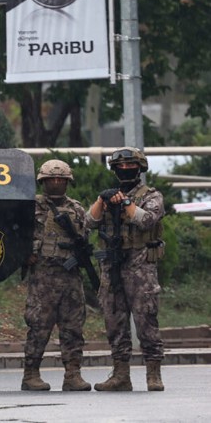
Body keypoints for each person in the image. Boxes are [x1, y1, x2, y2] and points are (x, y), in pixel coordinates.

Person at [86, 147, 165, 391]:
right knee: (114, 320)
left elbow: (146, 221)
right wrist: (102, 200)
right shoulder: (110, 196)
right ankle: (121, 375)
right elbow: (89, 222)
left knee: (145, 319)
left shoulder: (152, 196)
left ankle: (154, 374)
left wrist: (127, 202)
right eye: (121, 167)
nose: (126, 170)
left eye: (131, 166)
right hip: (112, 265)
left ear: (140, 169)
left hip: (140, 266)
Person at [21, 159, 91, 391]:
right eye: (52, 179)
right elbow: (15, 234)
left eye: (61, 179)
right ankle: (31, 374)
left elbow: (85, 236)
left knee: (73, 327)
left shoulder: (77, 208)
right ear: (43, 181)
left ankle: (73, 374)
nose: (57, 183)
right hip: (44, 276)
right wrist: (25, 253)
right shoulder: (30, 207)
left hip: (70, 276)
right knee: (39, 326)